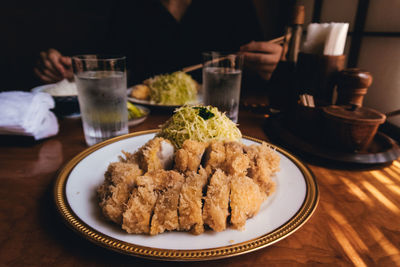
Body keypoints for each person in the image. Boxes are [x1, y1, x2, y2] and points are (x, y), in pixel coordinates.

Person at [34, 0, 282, 92]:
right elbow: (115, 69)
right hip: (141, 124)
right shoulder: (129, 6)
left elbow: (255, 70)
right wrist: (73, 75)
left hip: (219, 122)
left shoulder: (234, 5)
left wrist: (275, 67)